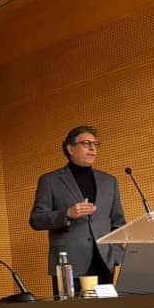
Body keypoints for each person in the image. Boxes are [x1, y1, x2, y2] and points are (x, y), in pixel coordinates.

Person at [29, 126, 126, 295]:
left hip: (104, 261)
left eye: (95, 144)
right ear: (70, 149)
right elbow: (36, 219)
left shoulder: (109, 181)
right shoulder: (50, 180)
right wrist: (66, 214)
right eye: (86, 143)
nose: (92, 148)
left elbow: (118, 221)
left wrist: (115, 253)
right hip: (68, 264)